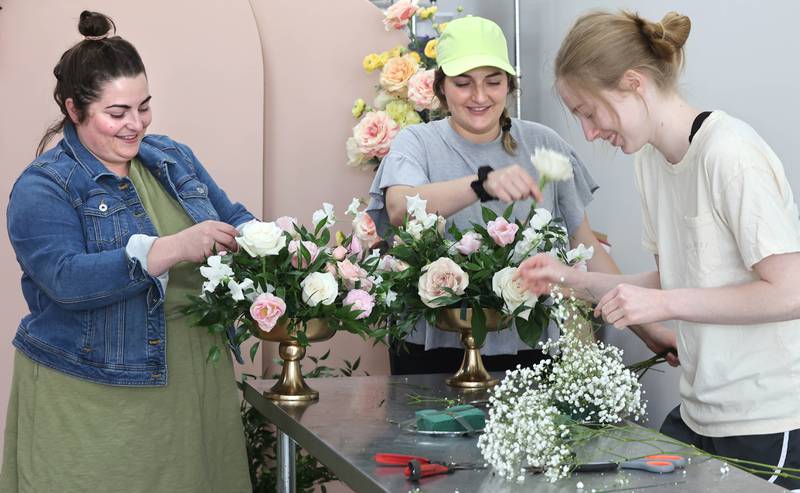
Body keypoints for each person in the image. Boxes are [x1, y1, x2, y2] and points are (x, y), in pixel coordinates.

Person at [518, 9, 800, 489]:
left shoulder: (729, 154)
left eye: (589, 112)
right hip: (700, 410)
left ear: (633, 84)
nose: (588, 133)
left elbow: (790, 292)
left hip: (764, 419)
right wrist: (572, 278)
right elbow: (679, 275)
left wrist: (663, 304)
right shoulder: (651, 160)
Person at [0, 11, 253, 493]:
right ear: (74, 110)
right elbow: (66, 281)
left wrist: (277, 244)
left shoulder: (171, 156)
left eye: (144, 107)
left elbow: (233, 217)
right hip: (93, 397)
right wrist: (169, 249)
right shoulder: (43, 186)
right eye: (117, 113)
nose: (135, 125)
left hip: (192, 377)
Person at [367, 15, 676, 375]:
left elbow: (585, 248)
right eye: (463, 83)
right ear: (441, 88)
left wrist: (649, 330)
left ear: (510, 86)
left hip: (532, 343)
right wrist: (482, 184)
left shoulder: (544, 144)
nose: (480, 96)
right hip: (435, 344)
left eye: (493, 82)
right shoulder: (417, 143)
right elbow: (400, 208)